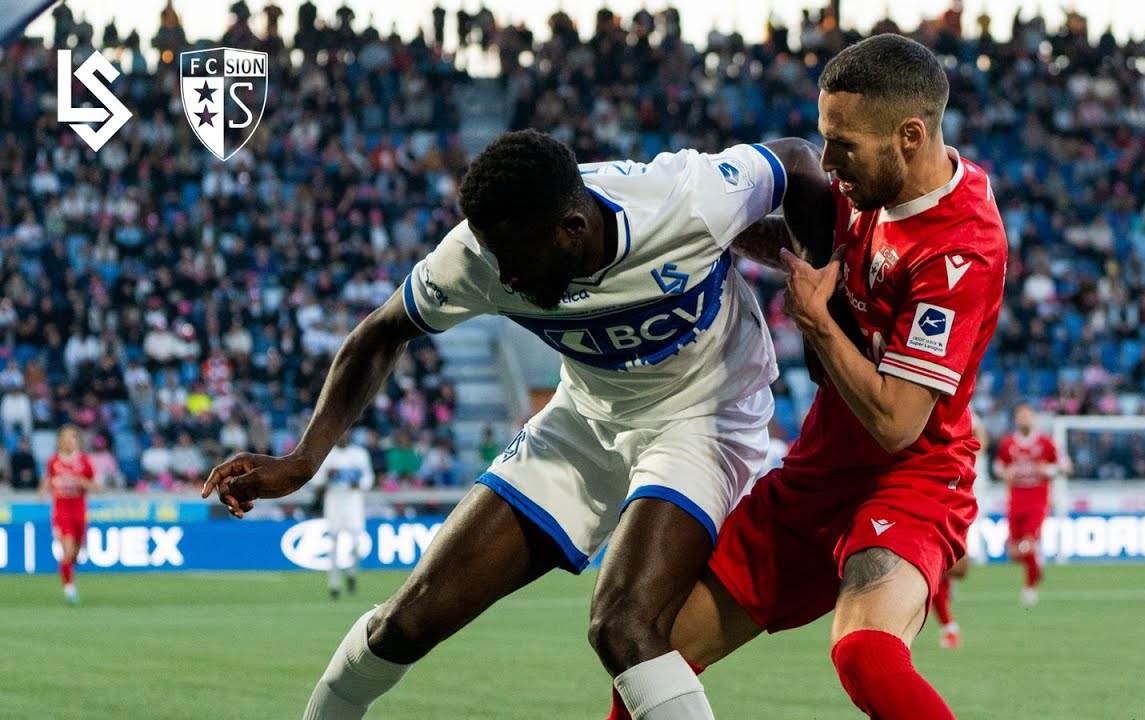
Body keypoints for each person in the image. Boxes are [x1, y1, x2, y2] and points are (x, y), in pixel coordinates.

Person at [204, 128, 830, 719]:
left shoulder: (683, 198)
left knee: (623, 625)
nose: (501, 278)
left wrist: (827, 310)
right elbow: (380, 333)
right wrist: (303, 459)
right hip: (583, 418)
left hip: (703, 417)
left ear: (572, 229)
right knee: (407, 620)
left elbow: (799, 162)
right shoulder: (479, 253)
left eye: (515, 261)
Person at [606, 35, 1008, 720]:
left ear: (909, 136)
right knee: (650, 661)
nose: (828, 163)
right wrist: (702, 226)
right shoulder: (870, 185)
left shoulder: (960, 250)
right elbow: (798, 243)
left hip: (911, 476)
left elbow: (896, 424)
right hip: (817, 474)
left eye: (843, 144)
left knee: (865, 655)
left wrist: (817, 323)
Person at [993, 403, 1070, 607]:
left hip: (1037, 500)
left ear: (1033, 419)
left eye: (1027, 416)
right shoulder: (1008, 443)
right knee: (1014, 552)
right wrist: (1004, 473)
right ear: (1016, 420)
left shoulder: (1046, 443)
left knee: (1029, 544)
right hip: (1015, 499)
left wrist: (1049, 471)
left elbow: (1066, 466)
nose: (1023, 420)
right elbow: (998, 466)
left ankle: (1029, 589)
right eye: (1020, 416)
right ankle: (1037, 563)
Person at [931, 409, 990, 649]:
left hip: (958, 493)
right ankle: (949, 626)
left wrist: (970, 454)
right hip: (929, 490)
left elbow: (981, 437)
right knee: (936, 568)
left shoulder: (964, 412)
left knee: (955, 568)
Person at [39, 425, 99, 603]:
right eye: (65, 437)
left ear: (77, 440)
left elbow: (95, 486)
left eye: (72, 437)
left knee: (76, 553)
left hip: (79, 510)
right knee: (68, 549)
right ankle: (69, 588)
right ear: (60, 441)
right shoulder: (54, 461)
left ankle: (68, 573)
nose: (69, 440)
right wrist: (43, 492)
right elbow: (48, 479)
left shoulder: (84, 461)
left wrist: (83, 482)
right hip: (61, 510)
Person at [312, 431, 376, 599]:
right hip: (334, 501)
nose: (342, 437)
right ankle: (334, 584)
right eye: (339, 435)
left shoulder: (359, 454)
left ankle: (352, 573)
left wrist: (360, 484)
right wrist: (327, 477)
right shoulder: (327, 456)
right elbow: (316, 481)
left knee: (356, 542)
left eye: (345, 434)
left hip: (353, 501)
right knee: (333, 543)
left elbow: (369, 478)